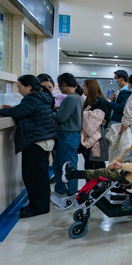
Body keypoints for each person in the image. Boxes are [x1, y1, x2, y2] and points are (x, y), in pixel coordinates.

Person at [0, 75, 57, 218]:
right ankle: (39, 205)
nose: (18, 90)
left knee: (34, 177)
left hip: (35, 142)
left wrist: (5, 110)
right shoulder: (42, 97)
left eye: (19, 87)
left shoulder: (32, 99)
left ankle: (38, 207)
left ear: (29, 87)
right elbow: (22, 110)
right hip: (43, 140)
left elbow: (17, 113)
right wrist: (13, 108)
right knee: (40, 176)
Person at [63, 133, 132, 186]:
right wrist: (111, 166)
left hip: (128, 180)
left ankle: (72, 174)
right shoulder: (128, 149)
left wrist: (122, 166)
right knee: (101, 172)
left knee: (99, 173)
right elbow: (119, 159)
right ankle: (72, 174)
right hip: (120, 174)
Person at [52, 73, 83, 201]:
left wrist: (48, 112)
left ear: (63, 84)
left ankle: (71, 192)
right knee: (59, 165)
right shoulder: (76, 97)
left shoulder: (71, 98)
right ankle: (61, 189)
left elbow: (61, 117)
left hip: (68, 136)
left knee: (68, 166)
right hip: (68, 135)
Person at [80, 79, 111, 170]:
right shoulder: (91, 101)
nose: (83, 89)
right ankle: (90, 183)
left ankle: (99, 183)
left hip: (97, 139)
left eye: (84, 87)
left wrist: (85, 116)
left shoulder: (101, 102)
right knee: (89, 163)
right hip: (89, 137)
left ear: (90, 88)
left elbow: (101, 121)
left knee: (97, 164)